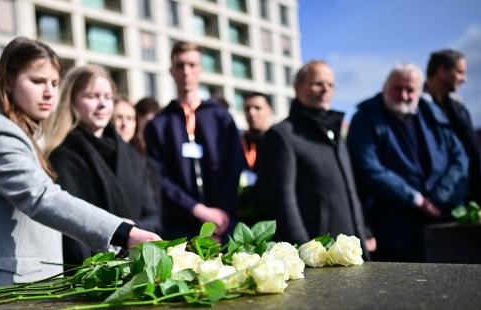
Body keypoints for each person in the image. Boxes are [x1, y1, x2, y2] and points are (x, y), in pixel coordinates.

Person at [0, 37, 159, 293]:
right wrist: (123, 233)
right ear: (9, 81)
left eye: (54, 83)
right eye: (37, 81)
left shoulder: (18, 131)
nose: (49, 93)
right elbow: (42, 197)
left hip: (5, 288)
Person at [347, 63, 468, 262]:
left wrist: (439, 196)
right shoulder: (365, 117)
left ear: (419, 92)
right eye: (397, 88)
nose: (403, 95)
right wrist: (415, 198)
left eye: (410, 90)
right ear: (384, 87)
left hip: (442, 220)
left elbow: (459, 157)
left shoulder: (433, 115)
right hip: (394, 228)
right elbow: (367, 167)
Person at [44, 65, 160, 265]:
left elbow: (153, 216)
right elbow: (67, 225)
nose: (102, 105)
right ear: (72, 100)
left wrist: (131, 229)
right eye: (92, 97)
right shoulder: (61, 153)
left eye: (108, 97)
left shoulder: (133, 157)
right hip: (86, 272)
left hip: (135, 264)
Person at [254, 60, 369, 253]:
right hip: (319, 252)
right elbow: (284, 202)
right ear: (297, 88)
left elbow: (350, 189)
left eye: (331, 85)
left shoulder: (335, 130)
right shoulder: (282, 135)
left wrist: (364, 230)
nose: (326, 90)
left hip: (351, 246)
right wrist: (305, 249)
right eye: (318, 83)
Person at [144, 41, 244, 240]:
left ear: (200, 69)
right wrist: (197, 209)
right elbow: (159, 177)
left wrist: (219, 213)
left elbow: (234, 166)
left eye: (192, 65)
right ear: (171, 71)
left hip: (224, 222)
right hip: (178, 227)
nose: (186, 72)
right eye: (180, 65)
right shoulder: (159, 124)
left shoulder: (221, 118)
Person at [424, 49, 481, 204]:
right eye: (460, 72)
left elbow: (473, 156)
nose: (464, 79)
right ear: (442, 71)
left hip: (466, 196)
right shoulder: (414, 109)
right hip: (432, 201)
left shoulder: (459, 110)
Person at [238, 92, 273, 225]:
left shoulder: (279, 141)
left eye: (257, 108)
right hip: (244, 216)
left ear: (269, 110)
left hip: (273, 216)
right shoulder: (238, 142)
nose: (252, 113)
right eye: (247, 109)